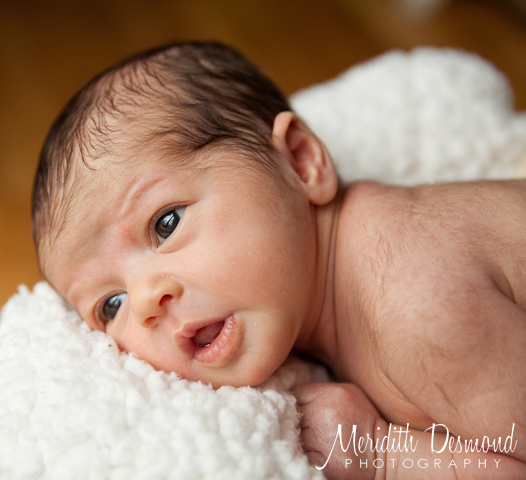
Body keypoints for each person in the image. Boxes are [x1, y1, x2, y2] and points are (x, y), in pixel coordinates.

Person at [31, 42, 526, 479]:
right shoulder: (336, 301)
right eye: (111, 305)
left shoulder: (418, 307)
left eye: (166, 223)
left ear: (300, 161)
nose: (143, 301)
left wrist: (380, 455)